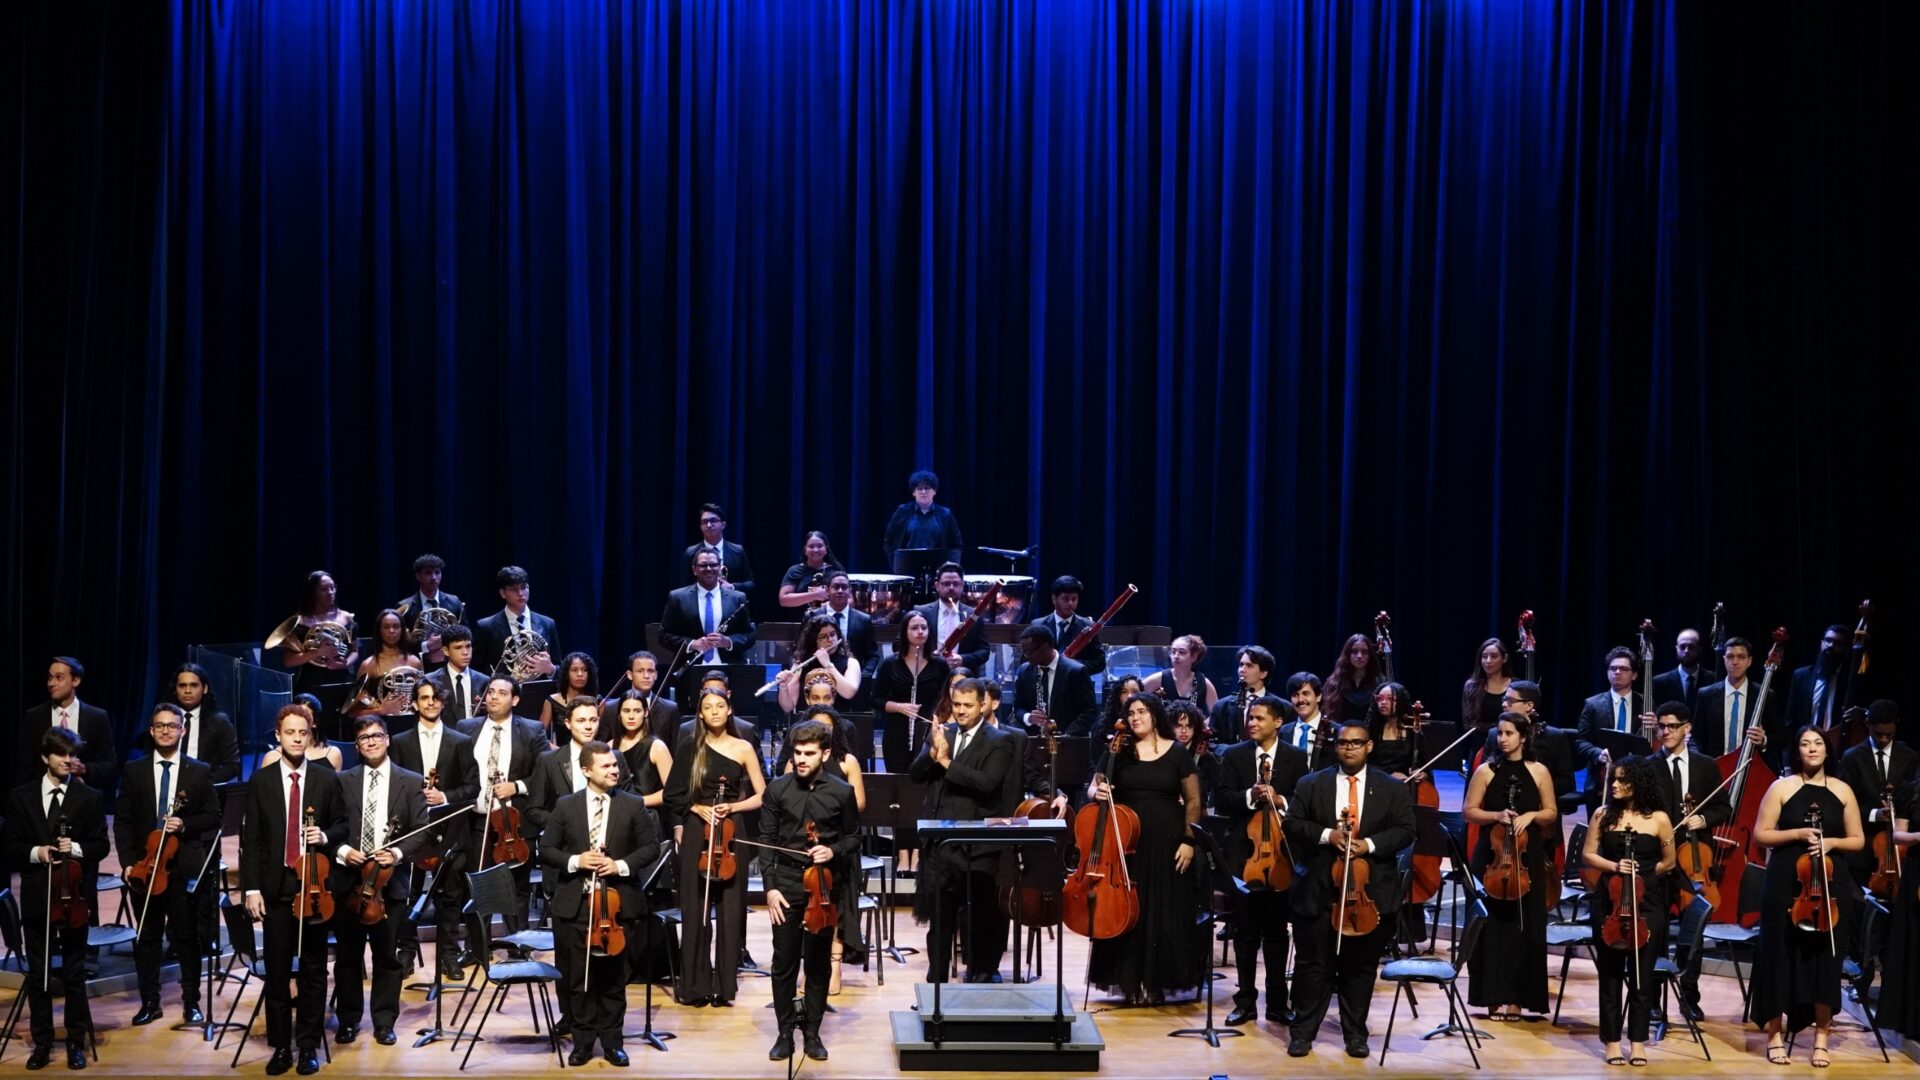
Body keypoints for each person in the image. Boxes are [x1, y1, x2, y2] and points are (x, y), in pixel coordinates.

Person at [1283, 720, 1416, 1058]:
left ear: (1369, 746)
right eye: (1344, 743)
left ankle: (1355, 1034)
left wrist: (1367, 845)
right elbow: (1292, 823)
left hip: (1369, 894)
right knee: (1313, 966)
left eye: (1357, 743)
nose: (1350, 748)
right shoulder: (1311, 783)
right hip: (1318, 890)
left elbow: (1405, 830)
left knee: (1360, 969)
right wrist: (1328, 835)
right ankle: (1302, 1033)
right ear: (1336, 746)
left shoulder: (1391, 788)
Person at [1748, 725, 1865, 1066]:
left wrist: (1831, 842)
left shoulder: (1842, 790)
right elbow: (1761, 835)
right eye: (1804, 744)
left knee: (1825, 960)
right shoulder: (1781, 787)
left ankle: (1821, 1038)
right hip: (1785, 882)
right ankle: (1774, 1034)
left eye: (1818, 743)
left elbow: (1857, 840)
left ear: (1827, 750)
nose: (1812, 749)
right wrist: (1798, 833)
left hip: (1829, 885)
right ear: (1797, 751)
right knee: (1778, 955)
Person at [240, 704, 347, 1076]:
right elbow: (252, 840)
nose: (297, 739)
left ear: (311, 735)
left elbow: (342, 826)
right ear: (278, 736)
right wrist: (251, 889)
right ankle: (281, 1046)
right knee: (278, 972)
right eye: (290, 732)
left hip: (314, 888)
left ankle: (308, 1047)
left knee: (314, 972)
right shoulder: (261, 780)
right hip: (276, 888)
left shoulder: (326, 778)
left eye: (303, 732)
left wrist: (325, 835)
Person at [541, 741, 662, 1067]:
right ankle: (582, 1042)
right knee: (578, 979)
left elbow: (650, 847)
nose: (614, 770)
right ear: (586, 770)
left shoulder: (632, 804)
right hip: (576, 904)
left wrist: (619, 865)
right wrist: (577, 860)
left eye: (615, 765)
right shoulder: (566, 806)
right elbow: (547, 849)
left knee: (613, 979)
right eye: (606, 766)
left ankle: (612, 1042)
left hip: (617, 906)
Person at [1085, 693, 1204, 1004]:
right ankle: (1128, 982)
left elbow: (1193, 800)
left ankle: (1157, 983)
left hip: (1168, 842)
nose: (1135, 717)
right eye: (1131, 712)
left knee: (1164, 909)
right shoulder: (1118, 750)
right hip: (1126, 843)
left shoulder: (1176, 752)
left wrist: (1189, 841)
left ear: (1155, 716)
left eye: (1142, 711)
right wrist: (1097, 792)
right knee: (1128, 910)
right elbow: (1093, 786)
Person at [3, 727, 110, 1071]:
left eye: (72, 755)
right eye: (61, 754)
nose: (68, 760)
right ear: (44, 757)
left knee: (75, 974)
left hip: (73, 900)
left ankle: (75, 1042)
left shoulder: (89, 797)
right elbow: (10, 846)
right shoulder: (21, 797)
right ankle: (42, 1043)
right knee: (40, 975)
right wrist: (37, 852)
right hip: (38, 897)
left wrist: (74, 848)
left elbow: (101, 846)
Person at [758, 719, 862, 1062]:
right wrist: (770, 889)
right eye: (797, 752)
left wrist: (832, 850)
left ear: (825, 754)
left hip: (823, 887)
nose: (801, 759)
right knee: (783, 963)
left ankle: (812, 1033)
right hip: (786, 884)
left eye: (809, 753)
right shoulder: (777, 789)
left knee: (817, 965)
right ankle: (785, 1033)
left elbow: (853, 838)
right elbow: (766, 841)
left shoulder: (842, 792)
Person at [662, 689, 768, 1005]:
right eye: (708, 707)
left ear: (729, 709)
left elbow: (762, 795)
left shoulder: (743, 747)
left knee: (731, 909)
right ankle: (694, 986)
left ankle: (724, 987)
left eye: (720, 706)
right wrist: (696, 807)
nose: (715, 711)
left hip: (732, 830)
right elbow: (672, 794)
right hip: (698, 831)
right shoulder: (689, 747)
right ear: (700, 714)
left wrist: (733, 807)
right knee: (694, 907)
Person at [329, 716, 429, 1047]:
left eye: (376, 736)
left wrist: (397, 853)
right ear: (357, 746)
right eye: (364, 738)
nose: (371, 742)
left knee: (387, 957)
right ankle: (348, 1020)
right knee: (348, 957)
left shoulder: (411, 781)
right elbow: (332, 827)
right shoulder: (342, 781)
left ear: (387, 739)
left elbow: (421, 830)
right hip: (349, 882)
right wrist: (344, 851)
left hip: (389, 885)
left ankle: (384, 1022)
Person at [118, 703, 219, 1028]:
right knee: (147, 936)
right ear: (151, 731)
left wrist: (184, 825)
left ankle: (191, 1001)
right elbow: (123, 821)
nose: (165, 731)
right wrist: (128, 863)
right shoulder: (134, 770)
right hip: (145, 868)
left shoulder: (198, 771)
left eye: (172, 726)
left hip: (181, 867)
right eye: (159, 726)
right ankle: (150, 1002)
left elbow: (213, 817)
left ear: (182, 731)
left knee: (186, 936)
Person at [1213, 693, 1310, 1026]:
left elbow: (1303, 801)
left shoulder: (1296, 758)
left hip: (1281, 857)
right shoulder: (1234, 755)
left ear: (1278, 722)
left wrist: (1280, 800)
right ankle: (1245, 1002)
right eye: (1250, 718)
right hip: (1244, 855)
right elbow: (1222, 800)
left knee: (1277, 934)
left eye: (1259, 718)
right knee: (1245, 933)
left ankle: (1278, 1004)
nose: (1252, 723)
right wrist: (1249, 796)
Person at [909, 678, 1014, 983]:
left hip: (977, 849)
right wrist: (933, 754)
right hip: (940, 846)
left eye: (968, 705)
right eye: (957, 704)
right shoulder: (943, 733)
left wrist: (945, 762)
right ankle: (936, 986)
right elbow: (915, 775)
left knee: (978, 920)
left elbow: (986, 783)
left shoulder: (1000, 740)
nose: (961, 710)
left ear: (982, 705)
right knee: (939, 922)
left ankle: (979, 979)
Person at [1580, 755, 1676, 1067]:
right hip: (1608, 902)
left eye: (1623, 780)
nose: (1616, 784)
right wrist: (1614, 867)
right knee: (1609, 975)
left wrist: (1642, 878)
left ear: (1639, 783)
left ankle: (1637, 1042)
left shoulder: (1659, 819)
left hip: (1647, 904)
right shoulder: (1602, 815)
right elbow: (1588, 854)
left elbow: (1669, 862)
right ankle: (1611, 1041)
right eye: (1615, 779)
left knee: (1642, 977)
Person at [1463, 711, 1557, 1021]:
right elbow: (1469, 811)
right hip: (1492, 856)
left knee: (1525, 926)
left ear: (1523, 737)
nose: (1502, 739)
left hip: (1526, 856)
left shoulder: (1539, 771)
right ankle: (1490, 996)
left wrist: (1531, 815)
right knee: (1490, 926)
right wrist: (1496, 816)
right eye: (1500, 733)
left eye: (1509, 733)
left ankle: (1517, 999)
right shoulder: (1485, 771)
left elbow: (1551, 812)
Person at [1647, 700, 1732, 1019]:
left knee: (1692, 933)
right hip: (1659, 860)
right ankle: (1653, 1000)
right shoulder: (1649, 766)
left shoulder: (1706, 766)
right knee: (1656, 932)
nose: (1666, 732)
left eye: (1672, 726)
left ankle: (1689, 997)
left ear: (1687, 728)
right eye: (1661, 726)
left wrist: (1703, 820)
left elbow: (1724, 808)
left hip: (1695, 862)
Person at [389, 680, 477, 979]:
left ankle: (449, 955)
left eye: (435, 698)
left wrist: (445, 797)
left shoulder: (461, 741)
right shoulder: (400, 742)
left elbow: (473, 787)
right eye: (424, 698)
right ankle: (406, 952)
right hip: (412, 831)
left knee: (450, 896)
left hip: (449, 831)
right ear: (415, 703)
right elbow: (394, 785)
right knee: (408, 895)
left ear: (443, 702)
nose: (430, 702)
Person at [454, 676, 547, 926]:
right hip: (476, 822)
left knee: (515, 889)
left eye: (502, 693)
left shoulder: (532, 730)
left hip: (513, 825)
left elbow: (544, 774)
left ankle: (516, 942)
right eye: (491, 692)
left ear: (514, 700)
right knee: (477, 889)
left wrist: (516, 786)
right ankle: (477, 945)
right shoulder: (465, 727)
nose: (494, 697)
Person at [1835, 700, 1913, 994]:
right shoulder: (1852, 757)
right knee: (1862, 920)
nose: (1882, 739)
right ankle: (1862, 978)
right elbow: (1844, 800)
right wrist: (1872, 814)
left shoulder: (1910, 757)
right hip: (1865, 850)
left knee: (1895, 922)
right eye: (1877, 733)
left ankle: (1892, 983)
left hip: (1899, 853)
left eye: (1888, 734)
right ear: (1868, 726)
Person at [17, 656, 118, 793]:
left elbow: (109, 763)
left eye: (59, 677)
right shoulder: (34, 717)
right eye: (50, 678)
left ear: (75, 681)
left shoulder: (97, 718)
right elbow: (25, 767)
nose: (51, 683)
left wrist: (84, 769)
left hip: (83, 797)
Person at [659, 549, 758, 674]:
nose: (709, 568)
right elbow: (664, 635)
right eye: (703, 565)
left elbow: (749, 635)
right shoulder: (677, 597)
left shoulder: (738, 597)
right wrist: (692, 644)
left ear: (720, 568)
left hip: (729, 669)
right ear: (694, 570)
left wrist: (728, 642)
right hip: (689, 670)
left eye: (713, 564)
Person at [472, 566, 559, 691]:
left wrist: (550, 669)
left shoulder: (547, 623)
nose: (520, 593)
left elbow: (559, 666)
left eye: (524, 587)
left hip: (540, 693)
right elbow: (476, 669)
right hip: (502, 694)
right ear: (503, 593)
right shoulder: (486, 627)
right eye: (514, 589)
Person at [279, 571, 358, 702]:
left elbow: (354, 651)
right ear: (312, 592)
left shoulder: (347, 618)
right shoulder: (299, 622)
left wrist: (345, 664)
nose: (330, 592)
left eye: (332, 587)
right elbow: (288, 661)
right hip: (311, 683)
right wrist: (318, 652)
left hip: (341, 681)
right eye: (323, 589)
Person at [1010, 624, 1099, 736]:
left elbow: (1089, 711)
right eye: (1024, 652)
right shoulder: (1024, 671)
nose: (1026, 656)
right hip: (1034, 741)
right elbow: (1018, 707)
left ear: (1045, 647)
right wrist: (1028, 718)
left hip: (1068, 741)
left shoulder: (1076, 671)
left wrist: (1065, 737)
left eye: (1029, 652)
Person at [1696, 636, 1772, 760]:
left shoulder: (1765, 694)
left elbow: (1782, 736)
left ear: (1749, 661)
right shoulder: (1706, 695)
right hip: (1715, 766)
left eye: (1741, 657)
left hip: (1751, 765)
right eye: (1730, 657)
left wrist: (1764, 740)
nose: (1735, 662)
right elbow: (1696, 737)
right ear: (1724, 659)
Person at [1576, 647, 1646, 781]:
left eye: (1623, 669)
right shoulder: (1592, 704)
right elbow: (1581, 742)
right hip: (1601, 776)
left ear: (1634, 675)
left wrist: (1656, 728)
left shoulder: (1645, 703)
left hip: (1636, 774)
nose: (1617, 672)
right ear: (1608, 672)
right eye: (1613, 668)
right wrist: (1598, 754)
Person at [164, 662, 241, 783]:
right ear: (175, 689)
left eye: (194, 685)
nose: (187, 690)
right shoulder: (162, 720)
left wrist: (205, 783)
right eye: (182, 685)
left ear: (204, 688)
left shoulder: (219, 722)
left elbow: (233, 765)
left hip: (204, 788)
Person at [774, 614, 863, 713]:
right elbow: (788, 707)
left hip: (837, 719)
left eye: (833, 634)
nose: (830, 640)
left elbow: (848, 693)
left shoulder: (851, 663)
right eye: (823, 637)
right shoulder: (802, 663)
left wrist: (828, 665)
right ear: (813, 640)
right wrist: (783, 687)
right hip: (808, 720)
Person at [346, 609, 424, 718]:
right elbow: (352, 712)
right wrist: (381, 710)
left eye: (396, 626)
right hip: (380, 723)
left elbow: (423, 698)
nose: (391, 631)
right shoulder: (368, 665)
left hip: (412, 721)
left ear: (402, 630)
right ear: (379, 630)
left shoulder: (414, 662)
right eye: (386, 627)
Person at [914, 563, 989, 674]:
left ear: (962, 586)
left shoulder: (974, 615)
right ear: (937, 586)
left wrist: (963, 659)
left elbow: (984, 651)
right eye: (946, 584)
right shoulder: (921, 612)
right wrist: (930, 658)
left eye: (956, 584)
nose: (951, 588)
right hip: (928, 675)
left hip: (963, 677)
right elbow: (900, 645)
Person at [393, 553, 465, 669]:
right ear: (418, 576)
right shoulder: (404, 606)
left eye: (437, 572)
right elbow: (400, 645)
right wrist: (427, 646)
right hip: (419, 667)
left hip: (450, 664)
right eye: (428, 573)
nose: (434, 577)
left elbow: (466, 635)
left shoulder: (455, 602)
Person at [610, 690, 675, 816]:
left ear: (645, 712)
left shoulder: (657, 747)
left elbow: (671, 791)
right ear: (619, 713)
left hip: (647, 815)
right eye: (626, 711)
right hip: (617, 816)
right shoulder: (610, 746)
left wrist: (636, 802)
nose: (631, 716)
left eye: (637, 711)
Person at [881, 469, 964, 565]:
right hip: (907, 566)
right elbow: (888, 539)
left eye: (927, 488)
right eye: (919, 489)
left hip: (937, 567)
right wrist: (895, 563)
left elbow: (957, 544)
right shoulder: (902, 511)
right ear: (913, 492)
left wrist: (949, 567)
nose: (923, 492)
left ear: (934, 491)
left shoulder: (945, 514)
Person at [600, 651, 681, 744]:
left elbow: (675, 748)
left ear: (656, 675)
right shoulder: (611, 708)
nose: (646, 676)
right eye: (640, 671)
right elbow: (601, 746)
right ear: (630, 675)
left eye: (650, 671)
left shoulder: (670, 709)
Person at [1032, 575, 1106, 675]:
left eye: (1074, 599)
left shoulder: (1089, 626)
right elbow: (1027, 660)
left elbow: (1100, 663)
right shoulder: (1038, 626)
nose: (1070, 603)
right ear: (1054, 599)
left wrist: (1073, 667)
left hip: (1077, 683)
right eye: (1065, 599)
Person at [1788, 625, 1854, 733]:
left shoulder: (1850, 681)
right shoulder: (1801, 676)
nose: (1831, 645)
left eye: (1837, 643)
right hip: (1806, 740)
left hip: (1836, 740)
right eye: (1828, 640)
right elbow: (1791, 719)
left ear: (1846, 649)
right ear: (1821, 643)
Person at [681, 502, 758, 593]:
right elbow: (683, 586)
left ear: (723, 525)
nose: (709, 525)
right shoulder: (691, 552)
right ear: (701, 527)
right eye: (705, 522)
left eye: (713, 520)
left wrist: (732, 587)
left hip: (730, 601)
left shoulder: (738, 551)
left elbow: (751, 583)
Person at [1210, 646, 1277, 744]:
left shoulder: (1281, 707)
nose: (1242, 670)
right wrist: (1232, 751)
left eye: (1249, 666)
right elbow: (1212, 744)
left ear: (1263, 674)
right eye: (1241, 665)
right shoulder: (1222, 706)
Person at [814, 571, 879, 671]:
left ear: (849, 591)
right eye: (836, 587)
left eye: (844, 587)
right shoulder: (813, 617)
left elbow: (872, 655)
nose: (840, 591)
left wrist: (862, 676)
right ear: (827, 590)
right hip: (818, 675)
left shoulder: (863, 620)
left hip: (852, 676)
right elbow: (801, 651)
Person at [424, 624, 488, 720]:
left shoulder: (485, 681)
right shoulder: (430, 681)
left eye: (468, 646)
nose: (465, 652)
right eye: (458, 648)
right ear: (445, 651)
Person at [1143, 634, 1219, 712]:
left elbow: (1217, 714)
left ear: (1194, 657)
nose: (1176, 656)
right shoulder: (1159, 678)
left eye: (1182, 652)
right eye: (1173, 652)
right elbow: (1136, 697)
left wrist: (1203, 720)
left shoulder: (1204, 683)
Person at [1167, 701, 1220, 812]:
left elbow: (1221, 790)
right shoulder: (1163, 754)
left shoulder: (1206, 758)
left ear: (1195, 728)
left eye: (1189, 726)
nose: (1184, 731)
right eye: (1178, 726)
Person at [1321, 633, 1382, 725]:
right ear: (1347, 654)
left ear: (1370, 655)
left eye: (1364, 652)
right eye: (1354, 651)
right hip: (1340, 732)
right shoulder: (1333, 683)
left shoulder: (1380, 683)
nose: (1359, 656)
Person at [1651, 626, 1713, 716]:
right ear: (1676, 648)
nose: (1686, 651)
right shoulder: (1659, 682)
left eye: (1691, 647)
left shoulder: (1713, 679)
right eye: (1682, 647)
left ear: (1700, 648)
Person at [777, 531, 845, 610]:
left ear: (826, 549)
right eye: (811, 546)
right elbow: (783, 600)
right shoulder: (794, 571)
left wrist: (832, 605)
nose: (815, 550)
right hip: (799, 617)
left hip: (830, 617)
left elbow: (850, 601)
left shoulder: (836, 570)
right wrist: (815, 595)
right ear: (805, 550)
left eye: (820, 546)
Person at [538, 652, 600, 739]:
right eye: (574, 670)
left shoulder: (598, 701)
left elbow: (602, 737)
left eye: (585, 670)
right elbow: (539, 736)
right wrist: (556, 748)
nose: (580, 674)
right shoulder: (551, 701)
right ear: (567, 674)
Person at [1365, 682, 1419, 780]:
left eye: (1390, 699)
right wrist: (1387, 775)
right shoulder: (1370, 730)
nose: (1383, 702)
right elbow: (1363, 765)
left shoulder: (1412, 731)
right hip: (1377, 782)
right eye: (1379, 698)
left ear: (1401, 702)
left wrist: (1422, 773)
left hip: (1405, 783)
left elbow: (1423, 763)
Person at [1460, 637, 1512, 735]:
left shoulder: (1515, 686)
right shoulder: (1471, 686)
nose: (1488, 661)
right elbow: (1469, 724)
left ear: (1504, 658)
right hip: (1480, 741)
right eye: (1484, 656)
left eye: (1494, 656)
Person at [1279, 672, 1330, 766]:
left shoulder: (1334, 731)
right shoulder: (1282, 732)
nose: (1300, 700)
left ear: (1318, 696)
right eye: (1295, 695)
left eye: (1305, 694)